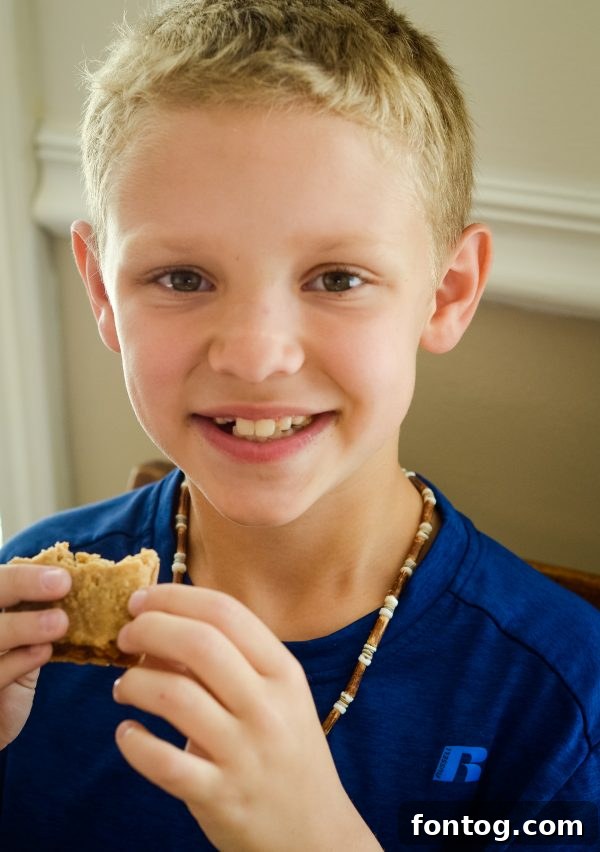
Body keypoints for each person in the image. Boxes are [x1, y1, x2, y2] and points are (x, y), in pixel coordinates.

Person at [0, 1, 598, 849]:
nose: (254, 356)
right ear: (103, 291)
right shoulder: (24, 610)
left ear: (449, 291)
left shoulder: (563, 705)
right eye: (180, 277)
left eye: (338, 278)